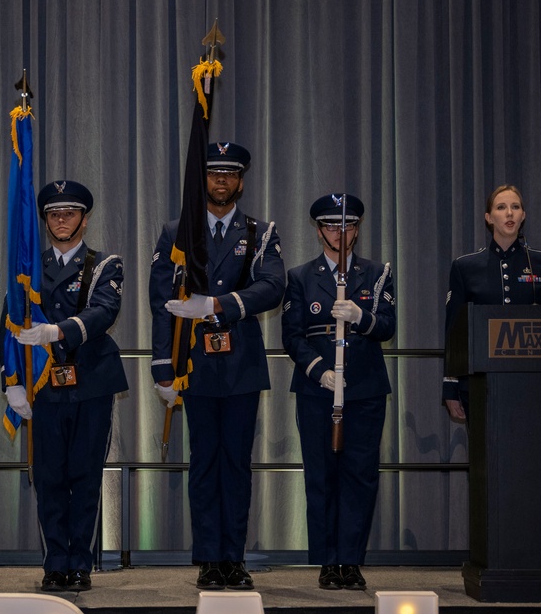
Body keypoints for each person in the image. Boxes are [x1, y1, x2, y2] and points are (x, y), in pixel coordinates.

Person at [149, 143, 285, 591]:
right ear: (201, 180)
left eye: (229, 173)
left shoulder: (260, 232)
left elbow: (273, 287)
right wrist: (162, 367)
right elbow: (160, 302)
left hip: (242, 365)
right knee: (204, 464)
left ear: (241, 181)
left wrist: (218, 305)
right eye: (213, 173)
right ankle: (209, 558)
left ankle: (235, 558)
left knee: (237, 466)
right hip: (196, 366)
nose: (221, 180)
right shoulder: (177, 232)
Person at [1, 180, 127, 592]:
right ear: (44, 221)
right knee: (50, 477)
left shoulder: (105, 264)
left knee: (85, 476)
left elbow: (104, 312)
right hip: (45, 387)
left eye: (69, 213)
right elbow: (11, 327)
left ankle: (81, 562)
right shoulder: (29, 270)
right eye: (54, 214)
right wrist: (13, 383)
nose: (61, 220)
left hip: (89, 382)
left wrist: (58, 330)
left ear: (84, 219)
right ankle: (55, 561)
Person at [280, 194, 395, 591]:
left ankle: (351, 560)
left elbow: (387, 326)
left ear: (357, 229)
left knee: (360, 476)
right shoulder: (300, 277)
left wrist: (361, 317)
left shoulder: (377, 273)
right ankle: (327, 562)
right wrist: (320, 372)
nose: (339, 233)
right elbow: (292, 337)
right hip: (318, 390)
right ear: (318, 231)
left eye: (346, 226)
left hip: (364, 388)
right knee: (322, 476)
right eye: (331, 226)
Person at [442, 184, 541, 421]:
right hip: (479, 382)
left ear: (523, 215)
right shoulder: (465, 267)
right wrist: (451, 386)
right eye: (501, 207)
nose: (509, 213)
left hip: (534, 382)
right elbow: (453, 331)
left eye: (515, 207)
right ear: (489, 218)